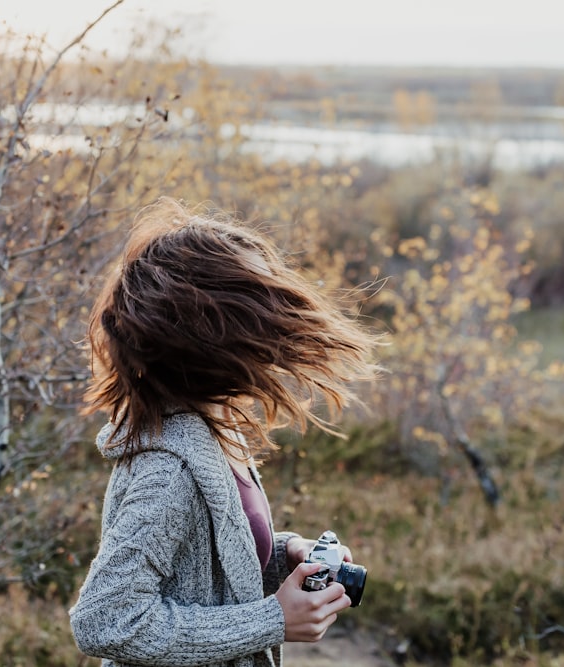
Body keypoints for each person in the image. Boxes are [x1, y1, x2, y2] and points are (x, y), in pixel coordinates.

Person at [69, 198, 379, 667]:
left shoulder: (213, 432)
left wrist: (283, 553)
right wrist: (273, 620)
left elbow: (201, 565)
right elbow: (104, 620)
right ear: (210, 337)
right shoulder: (170, 469)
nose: (273, 329)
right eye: (257, 311)